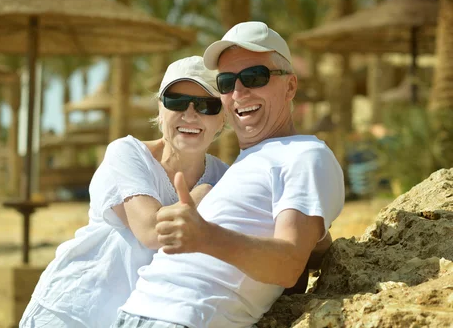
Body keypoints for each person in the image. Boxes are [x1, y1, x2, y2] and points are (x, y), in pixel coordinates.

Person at [113, 21, 345, 328]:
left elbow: (288, 263)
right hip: (132, 313)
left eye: (254, 77)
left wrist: (207, 236)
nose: (238, 92)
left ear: (290, 86)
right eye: (226, 82)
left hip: (183, 320)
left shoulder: (306, 155)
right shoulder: (241, 166)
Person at [20, 56, 229, 328]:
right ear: (160, 108)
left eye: (206, 105)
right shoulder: (128, 153)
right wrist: (204, 193)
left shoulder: (225, 175)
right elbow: (153, 232)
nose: (190, 114)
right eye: (176, 102)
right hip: (69, 312)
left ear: (223, 117)